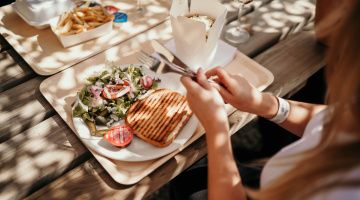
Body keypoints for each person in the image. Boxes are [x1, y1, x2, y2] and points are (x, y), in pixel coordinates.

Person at [175, 0, 360, 199]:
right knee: (187, 181)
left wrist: (217, 126)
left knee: (183, 183)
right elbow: (337, 120)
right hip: (278, 175)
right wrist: (260, 102)